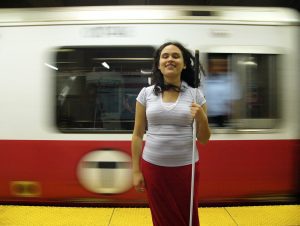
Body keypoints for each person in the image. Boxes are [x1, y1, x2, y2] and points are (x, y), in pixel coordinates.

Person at [131, 42, 210, 226]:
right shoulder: (146, 94)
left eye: (176, 56)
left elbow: (204, 139)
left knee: (186, 217)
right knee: (161, 218)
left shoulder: (196, 95)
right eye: (165, 56)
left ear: (184, 64)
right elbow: (137, 134)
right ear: (158, 64)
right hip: (154, 168)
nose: (170, 59)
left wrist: (202, 118)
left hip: (186, 169)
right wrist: (136, 171)